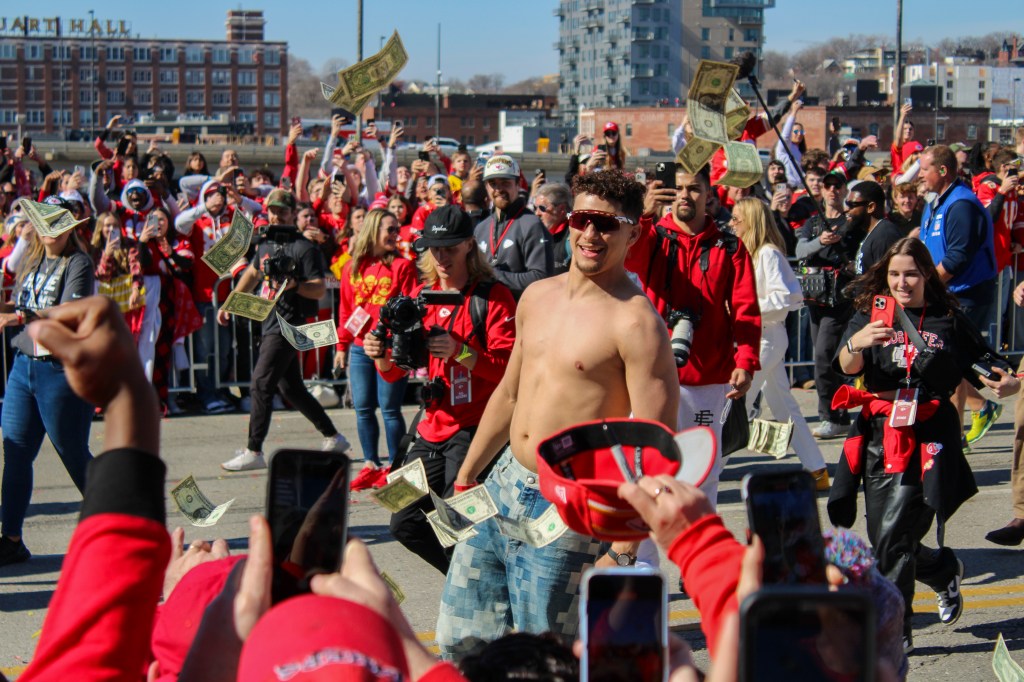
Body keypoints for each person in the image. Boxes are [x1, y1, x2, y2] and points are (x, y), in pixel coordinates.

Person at [441, 170, 679, 657]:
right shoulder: (537, 296)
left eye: (607, 224)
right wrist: (467, 477)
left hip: (569, 506)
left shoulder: (637, 322)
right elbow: (510, 394)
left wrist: (624, 550)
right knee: (461, 641)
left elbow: (655, 445)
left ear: (633, 234)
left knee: (545, 653)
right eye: (582, 219)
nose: (591, 233)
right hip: (502, 482)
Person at [831, 237, 1019, 651]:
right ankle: (940, 569)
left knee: (893, 536)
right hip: (881, 435)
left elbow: (985, 362)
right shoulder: (870, 313)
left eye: (912, 274)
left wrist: (1005, 382)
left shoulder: (946, 318)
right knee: (886, 537)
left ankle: (894, 632)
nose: (902, 283)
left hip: (930, 434)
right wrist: (858, 342)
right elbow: (845, 366)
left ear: (926, 276)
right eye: (895, 274)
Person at [363, 206, 516, 573]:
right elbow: (393, 374)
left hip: (475, 430)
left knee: (459, 525)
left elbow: (510, 372)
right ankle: (467, 585)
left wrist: (460, 351)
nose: (442, 257)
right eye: (434, 248)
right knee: (403, 523)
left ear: (469, 245)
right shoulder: (419, 296)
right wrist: (380, 354)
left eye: (450, 247)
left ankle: (474, 588)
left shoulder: (493, 297)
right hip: (430, 428)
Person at [628, 165, 761, 504]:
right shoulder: (654, 237)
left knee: (702, 474)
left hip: (707, 379)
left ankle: (700, 538)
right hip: (653, 373)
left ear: (709, 195)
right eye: (678, 188)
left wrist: (745, 360)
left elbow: (745, 309)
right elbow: (629, 261)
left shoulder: (729, 246)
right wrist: (644, 216)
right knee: (644, 471)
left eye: (694, 188)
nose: (684, 195)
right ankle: (645, 540)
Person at [217, 189, 350, 472]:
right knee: (291, 388)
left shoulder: (305, 248)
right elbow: (253, 273)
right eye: (273, 210)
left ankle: (254, 450)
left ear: (292, 214)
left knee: (260, 383)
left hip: (290, 324)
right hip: (270, 321)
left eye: (282, 211)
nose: (277, 215)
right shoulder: (265, 243)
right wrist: (232, 302)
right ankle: (334, 437)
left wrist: (295, 285)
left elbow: (318, 289)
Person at [0, 210, 95, 567]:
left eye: (57, 224)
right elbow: (22, 305)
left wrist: (17, 316)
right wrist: (9, 309)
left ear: (69, 229)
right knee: (16, 452)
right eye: (45, 223)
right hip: (24, 365)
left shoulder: (78, 263)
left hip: (60, 370)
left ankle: (125, 529)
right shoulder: (33, 260)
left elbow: (67, 313)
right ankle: (11, 539)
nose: (50, 231)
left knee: (73, 453)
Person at [729, 198, 829, 488]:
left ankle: (710, 469)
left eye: (736, 219)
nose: (732, 224)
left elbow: (785, 297)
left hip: (765, 338)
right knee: (784, 406)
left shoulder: (768, 254)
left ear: (751, 221)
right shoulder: (752, 253)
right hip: (761, 337)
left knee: (735, 403)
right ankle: (816, 469)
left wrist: (742, 309)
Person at [919, 145, 1000, 447]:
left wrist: (925, 286)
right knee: (945, 364)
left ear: (942, 171)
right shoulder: (935, 202)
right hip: (945, 295)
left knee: (949, 365)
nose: (919, 175)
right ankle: (981, 407)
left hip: (965, 295)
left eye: (924, 169)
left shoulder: (962, 204)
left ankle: (953, 439)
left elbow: (957, 258)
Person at [334, 208, 418, 488]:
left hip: (390, 348)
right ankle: (370, 463)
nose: (396, 235)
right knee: (363, 409)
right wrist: (342, 345)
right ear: (373, 231)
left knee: (390, 409)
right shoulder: (352, 267)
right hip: (360, 348)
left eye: (397, 229)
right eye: (390, 230)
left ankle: (395, 466)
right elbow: (346, 309)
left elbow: (411, 309)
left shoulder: (403, 266)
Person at [795, 172, 865, 439]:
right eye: (828, 186)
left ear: (845, 190)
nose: (833, 190)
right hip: (816, 296)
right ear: (821, 191)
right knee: (824, 357)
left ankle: (830, 416)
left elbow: (862, 253)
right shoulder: (813, 222)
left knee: (825, 355)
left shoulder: (852, 222)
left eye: (838, 185)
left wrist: (852, 264)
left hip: (841, 298)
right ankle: (839, 414)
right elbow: (800, 250)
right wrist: (820, 242)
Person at [474, 155, 554, 299]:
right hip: (488, 310)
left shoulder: (532, 225)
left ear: (518, 184)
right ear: (486, 187)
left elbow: (542, 278)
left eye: (505, 182)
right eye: (493, 183)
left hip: (520, 310)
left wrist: (494, 275)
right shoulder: (481, 228)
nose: (498, 189)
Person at [847, 181, 904, 277]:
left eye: (852, 205)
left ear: (871, 207)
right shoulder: (875, 232)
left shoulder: (885, 236)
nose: (847, 210)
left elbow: (886, 279)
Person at [532, 183, 571, 274]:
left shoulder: (573, 236)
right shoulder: (535, 234)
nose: (537, 213)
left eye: (542, 208)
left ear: (561, 209)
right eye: (535, 208)